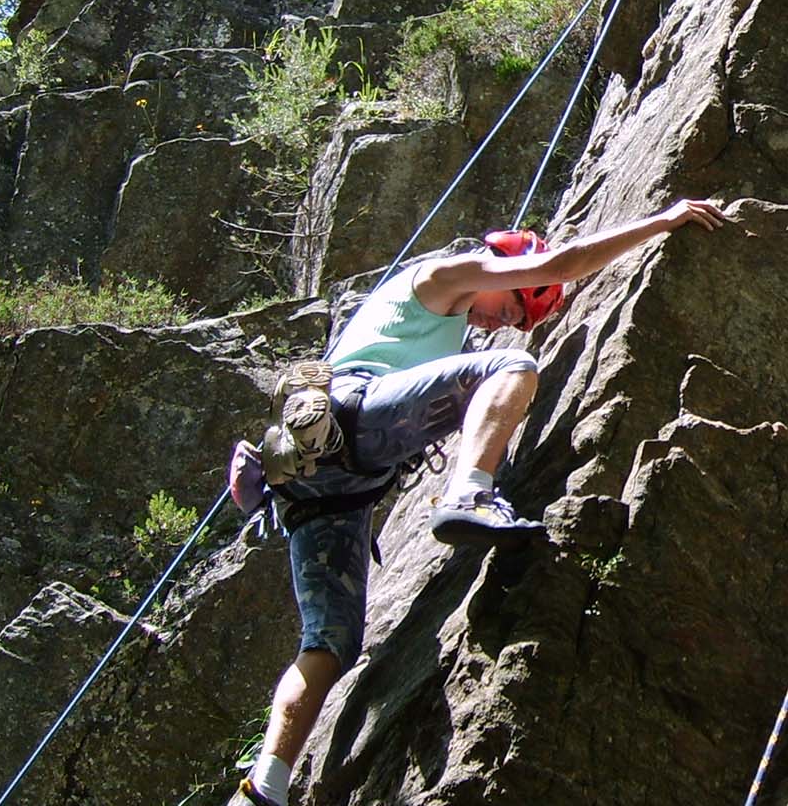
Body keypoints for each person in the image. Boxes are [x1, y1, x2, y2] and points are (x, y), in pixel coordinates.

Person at [226, 197, 728, 806]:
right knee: (512, 368)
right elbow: (564, 262)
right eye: (513, 303)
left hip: (325, 485)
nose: (500, 321)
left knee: (329, 644)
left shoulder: (434, 326)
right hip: (353, 418)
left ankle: (263, 788)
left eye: (515, 316)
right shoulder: (440, 277)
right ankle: (469, 494)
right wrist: (662, 220)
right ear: (505, 265)